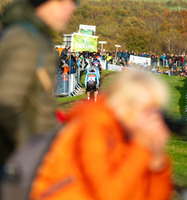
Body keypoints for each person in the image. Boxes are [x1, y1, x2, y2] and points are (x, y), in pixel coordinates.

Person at [29, 70, 173, 200]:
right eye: (148, 111)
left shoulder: (129, 136)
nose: (154, 120)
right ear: (126, 104)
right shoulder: (94, 123)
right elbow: (108, 194)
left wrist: (157, 163)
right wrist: (141, 146)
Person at [0, 0, 76, 166]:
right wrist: (31, 152)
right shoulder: (25, 40)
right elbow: (5, 105)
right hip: (16, 164)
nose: (71, 7)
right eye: (64, 1)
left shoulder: (36, 36)